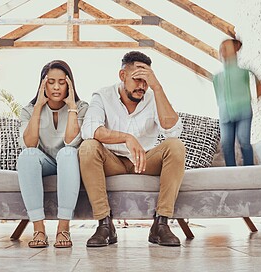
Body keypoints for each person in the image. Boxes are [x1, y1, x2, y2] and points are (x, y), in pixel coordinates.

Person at [79, 51, 186, 247]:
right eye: (138, 79)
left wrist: (158, 88)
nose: (142, 86)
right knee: (88, 147)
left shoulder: (153, 95)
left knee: (176, 146)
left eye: (146, 81)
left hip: (144, 161)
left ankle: (160, 225)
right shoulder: (102, 95)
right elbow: (90, 130)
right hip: (112, 161)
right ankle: (105, 225)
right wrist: (126, 138)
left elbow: (173, 131)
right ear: (123, 76)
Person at [17, 60, 88, 248]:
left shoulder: (81, 108)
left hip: (70, 161)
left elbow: (71, 142)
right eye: (51, 82)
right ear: (42, 84)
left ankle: (63, 228)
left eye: (62, 82)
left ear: (69, 84)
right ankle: (38, 229)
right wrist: (39, 106)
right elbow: (29, 145)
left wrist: (72, 106)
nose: (56, 87)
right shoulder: (29, 110)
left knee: (67, 153)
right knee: (27, 156)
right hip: (45, 162)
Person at [213, 39, 261, 166]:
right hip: (225, 115)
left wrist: (257, 98)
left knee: (244, 141)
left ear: (234, 51)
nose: (222, 52)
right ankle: (232, 171)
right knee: (226, 145)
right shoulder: (217, 77)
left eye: (225, 49)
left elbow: (258, 83)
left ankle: (250, 169)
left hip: (243, 112)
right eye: (221, 50)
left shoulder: (244, 72)